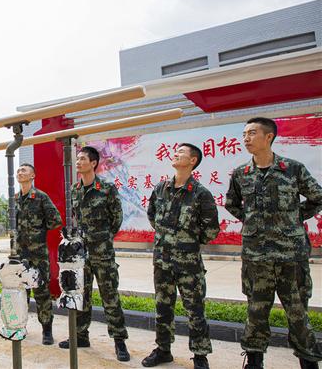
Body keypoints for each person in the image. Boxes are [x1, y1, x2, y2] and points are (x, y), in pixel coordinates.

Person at [225, 117, 322, 369]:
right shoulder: (240, 174)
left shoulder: (292, 169)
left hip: (291, 256)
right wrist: (252, 220)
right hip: (256, 257)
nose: (246, 138)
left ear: (268, 137)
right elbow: (232, 203)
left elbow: (317, 197)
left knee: (298, 313)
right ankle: (254, 361)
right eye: (244, 133)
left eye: (252, 133)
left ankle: (309, 362)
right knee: (256, 312)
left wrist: (293, 217)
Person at [142, 143, 219, 369]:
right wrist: (167, 237)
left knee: (195, 310)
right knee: (163, 307)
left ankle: (200, 355)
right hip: (162, 261)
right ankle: (163, 350)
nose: (176, 154)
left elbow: (211, 229)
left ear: (192, 160)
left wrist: (188, 242)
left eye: (181, 152)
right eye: (175, 152)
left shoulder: (201, 193)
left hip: (189, 264)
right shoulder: (161, 188)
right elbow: (152, 214)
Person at [58, 146, 130, 362]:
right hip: (81, 255)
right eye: (77, 159)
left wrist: (103, 238)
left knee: (110, 298)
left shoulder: (106, 188)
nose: (78, 162)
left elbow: (116, 218)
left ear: (94, 163)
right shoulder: (74, 190)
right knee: (82, 295)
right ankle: (81, 336)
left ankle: (119, 341)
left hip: (103, 254)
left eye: (82, 159)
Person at [15, 163, 62, 345]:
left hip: (38, 255)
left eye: (24, 170)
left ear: (33, 175)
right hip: (20, 255)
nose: (20, 172)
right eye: (18, 170)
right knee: (21, 293)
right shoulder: (15, 198)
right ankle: (20, 326)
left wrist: (38, 233)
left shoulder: (40, 197)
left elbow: (56, 220)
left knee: (42, 293)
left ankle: (47, 330)